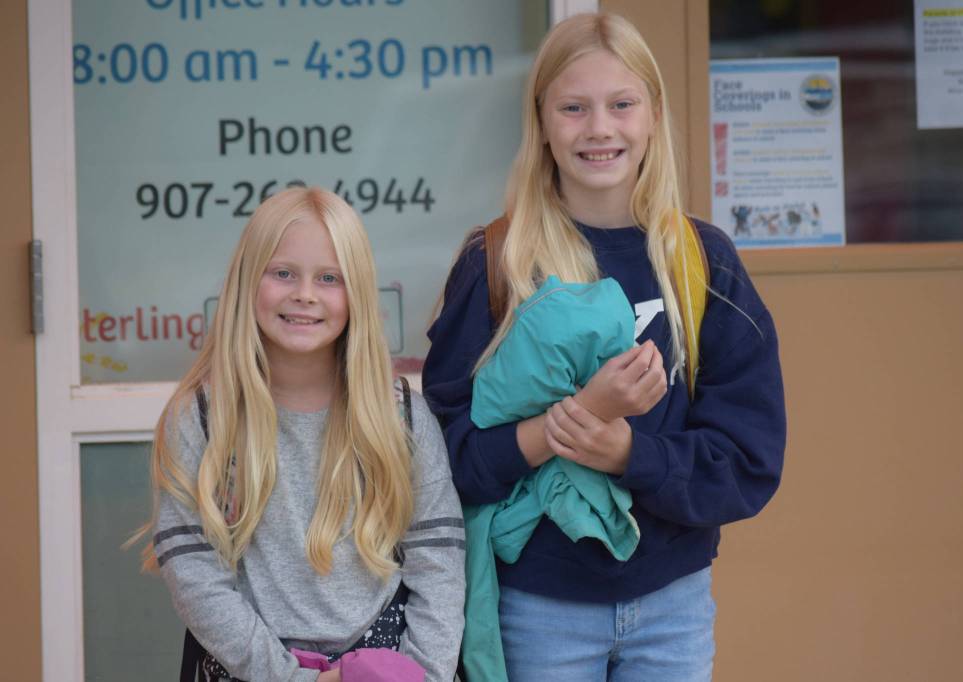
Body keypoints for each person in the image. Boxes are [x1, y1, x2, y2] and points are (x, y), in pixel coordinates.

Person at [422, 12, 785, 682]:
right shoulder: (497, 264)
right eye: (573, 107)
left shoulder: (704, 263)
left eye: (621, 104)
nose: (599, 129)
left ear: (653, 114)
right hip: (536, 610)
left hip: (673, 607)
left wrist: (629, 454)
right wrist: (560, 430)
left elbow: (749, 459)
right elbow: (445, 463)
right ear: (542, 121)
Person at [138, 187, 465, 682]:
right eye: (283, 272)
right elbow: (196, 578)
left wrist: (423, 675)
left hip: (385, 664)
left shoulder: (402, 418)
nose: (305, 294)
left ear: (357, 291)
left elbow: (438, 562)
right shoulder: (203, 419)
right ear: (249, 281)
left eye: (329, 278)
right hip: (248, 666)